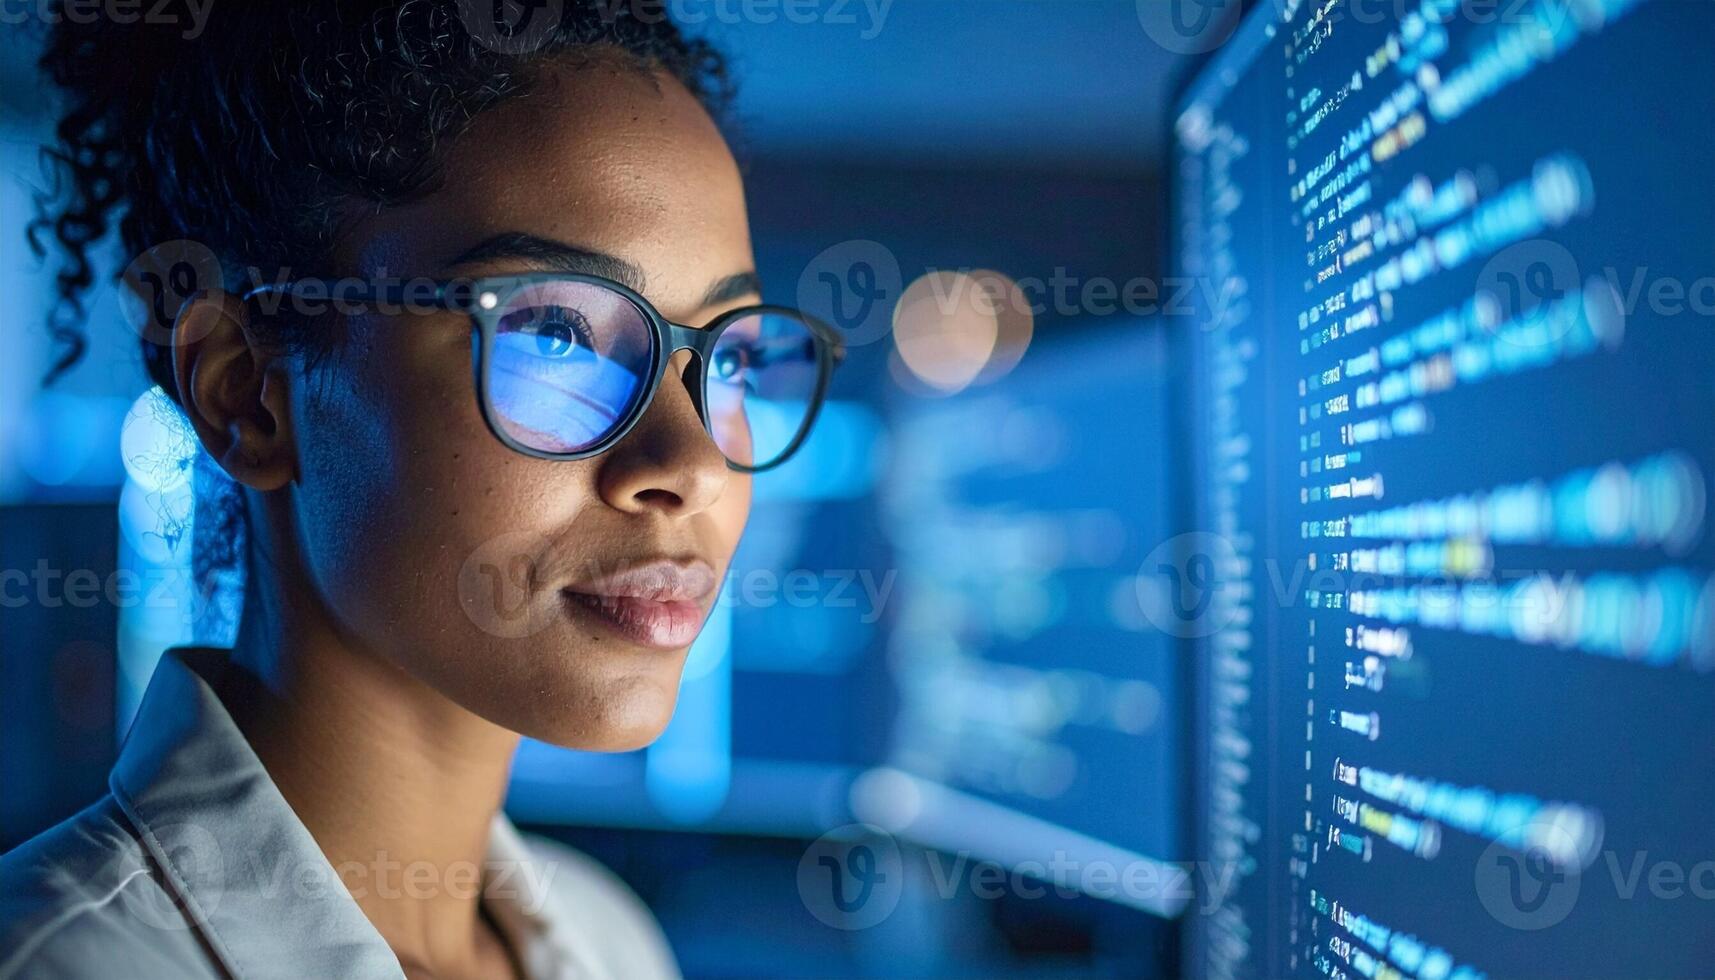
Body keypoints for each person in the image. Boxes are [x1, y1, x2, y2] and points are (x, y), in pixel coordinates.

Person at [0, 3, 841, 977]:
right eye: (555, 335)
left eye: (728, 357)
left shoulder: (610, 941)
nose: (692, 464)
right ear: (246, 395)